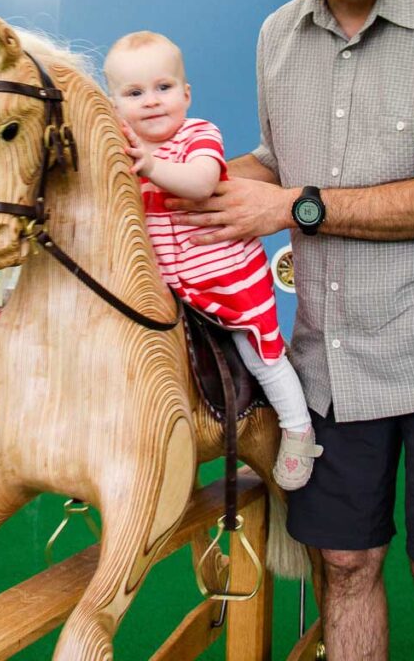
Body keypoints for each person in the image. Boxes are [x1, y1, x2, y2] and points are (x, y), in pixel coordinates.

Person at [165, 0, 414, 661]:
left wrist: (294, 208)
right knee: (344, 565)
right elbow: (275, 164)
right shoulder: (275, 36)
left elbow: (292, 196)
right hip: (327, 364)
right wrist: (161, 185)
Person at [103, 29, 323, 490]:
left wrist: (151, 167)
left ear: (186, 94)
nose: (152, 102)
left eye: (164, 88)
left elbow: (201, 183)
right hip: (171, 287)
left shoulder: (197, 135)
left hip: (229, 280)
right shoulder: (121, 152)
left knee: (258, 353)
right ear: (115, 105)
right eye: (134, 93)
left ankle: (299, 430)